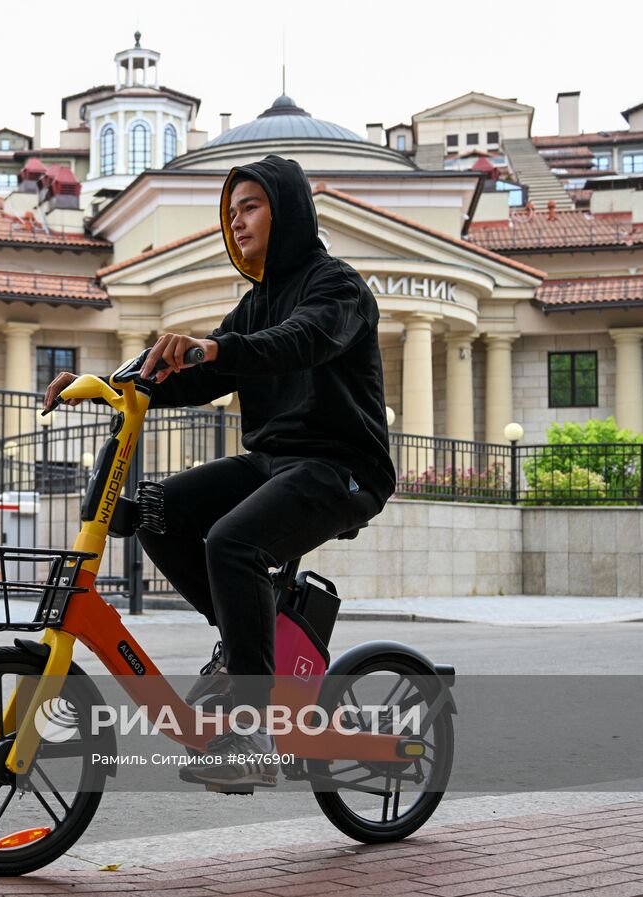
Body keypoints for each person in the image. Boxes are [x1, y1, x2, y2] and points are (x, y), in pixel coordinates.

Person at [42, 155, 395, 788]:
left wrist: (215, 346)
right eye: (230, 214)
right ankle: (245, 649)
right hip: (273, 463)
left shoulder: (338, 287)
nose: (237, 222)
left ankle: (251, 724)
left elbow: (302, 340)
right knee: (155, 512)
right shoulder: (253, 304)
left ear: (287, 212)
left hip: (342, 467)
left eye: (251, 207)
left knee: (232, 541)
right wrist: (108, 381)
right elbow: (198, 374)